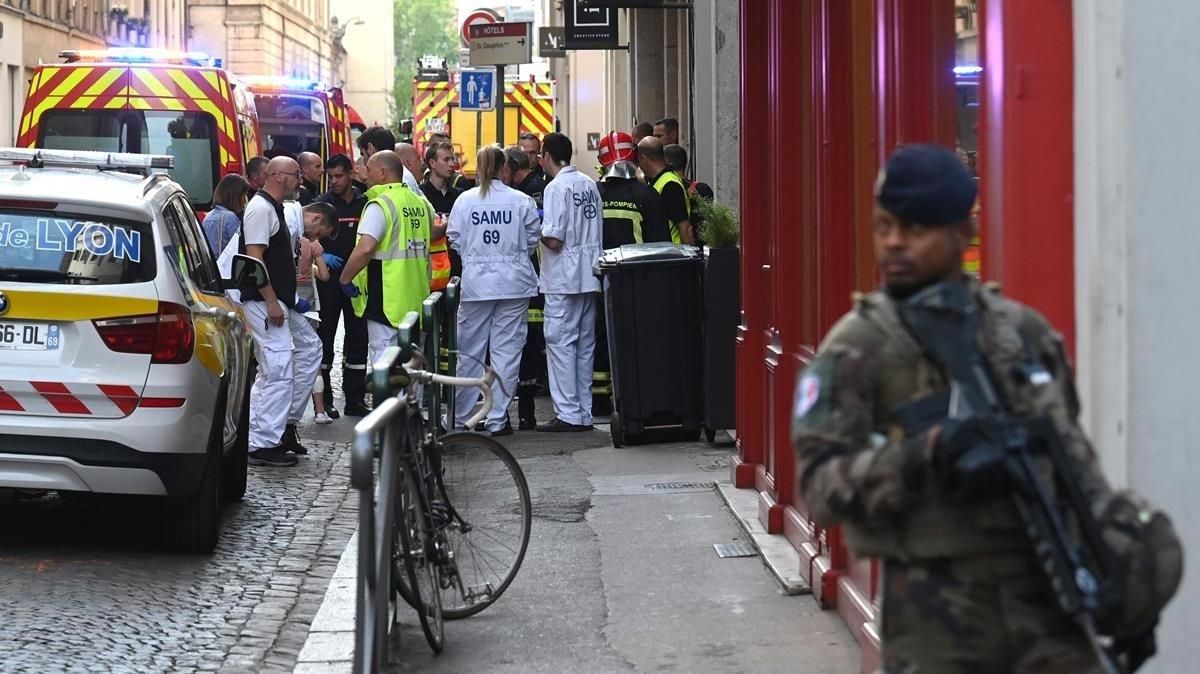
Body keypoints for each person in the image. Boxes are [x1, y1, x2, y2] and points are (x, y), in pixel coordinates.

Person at [791, 145, 1115, 672]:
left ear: (963, 232)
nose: (894, 241)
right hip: (935, 623)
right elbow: (821, 489)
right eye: (885, 225)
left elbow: (1076, 466)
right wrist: (926, 453)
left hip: (1048, 609)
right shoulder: (858, 346)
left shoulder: (1022, 333)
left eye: (916, 228)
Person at [447, 146, 542, 435]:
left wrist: (476, 257)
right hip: (514, 284)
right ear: (505, 169)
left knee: (470, 353)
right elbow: (532, 238)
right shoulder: (521, 200)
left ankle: (462, 418)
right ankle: (498, 419)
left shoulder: (465, 201)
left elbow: (454, 239)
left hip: (477, 285)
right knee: (507, 353)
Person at [238, 156, 323, 467]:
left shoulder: (273, 207)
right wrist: (271, 300)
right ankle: (260, 441)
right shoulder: (261, 209)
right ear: (277, 176)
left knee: (309, 350)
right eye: (295, 174)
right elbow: (254, 258)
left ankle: (281, 425)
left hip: (277, 301)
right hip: (265, 303)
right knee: (275, 369)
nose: (300, 179)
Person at [337, 150, 440, 366]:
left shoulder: (380, 204)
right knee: (413, 369)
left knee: (386, 370)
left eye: (368, 167)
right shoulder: (419, 202)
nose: (363, 171)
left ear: (382, 173)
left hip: (386, 302)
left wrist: (345, 279)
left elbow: (365, 249)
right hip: (416, 299)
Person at [536, 133, 603, 432]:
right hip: (589, 275)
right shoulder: (589, 184)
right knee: (584, 344)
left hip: (564, 278)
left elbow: (553, 238)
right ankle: (583, 411)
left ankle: (567, 413)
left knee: (561, 344)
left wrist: (534, 226)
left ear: (547, 155)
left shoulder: (555, 188)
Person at [314, 153, 371, 418]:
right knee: (325, 338)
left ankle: (355, 399)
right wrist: (319, 254)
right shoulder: (322, 205)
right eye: (330, 176)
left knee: (358, 339)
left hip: (357, 281)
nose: (334, 181)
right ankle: (324, 400)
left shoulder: (365, 202)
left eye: (339, 176)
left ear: (350, 174)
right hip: (328, 282)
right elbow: (305, 235)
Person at [502, 145, 549, 429]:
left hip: (528, 279)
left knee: (520, 346)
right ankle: (526, 411)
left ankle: (515, 410)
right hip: (530, 278)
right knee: (528, 345)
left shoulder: (526, 195)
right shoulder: (529, 193)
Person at [596, 131, 669, 248]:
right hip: (637, 264)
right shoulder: (648, 194)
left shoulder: (593, 194)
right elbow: (660, 244)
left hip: (599, 264)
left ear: (601, 160)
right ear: (635, 155)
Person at [297, 202, 336, 424]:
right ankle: (319, 410)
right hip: (308, 300)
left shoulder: (290, 236)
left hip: (286, 296)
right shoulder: (313, 245)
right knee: (312, 352)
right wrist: (311, 268)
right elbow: (324, 275)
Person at [638, 137, 694, 245]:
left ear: (644, 159)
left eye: (638, 160)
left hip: (674, 254)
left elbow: (685, 227)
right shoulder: (661, 180)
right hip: (666, 253)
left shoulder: (669, 185)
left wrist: (691, 259)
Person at [202, 173, 250, 255]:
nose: (244, 201)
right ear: (235, 196)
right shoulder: (230, 217)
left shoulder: (209, 215)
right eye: (243, 196)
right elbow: (240, 246)